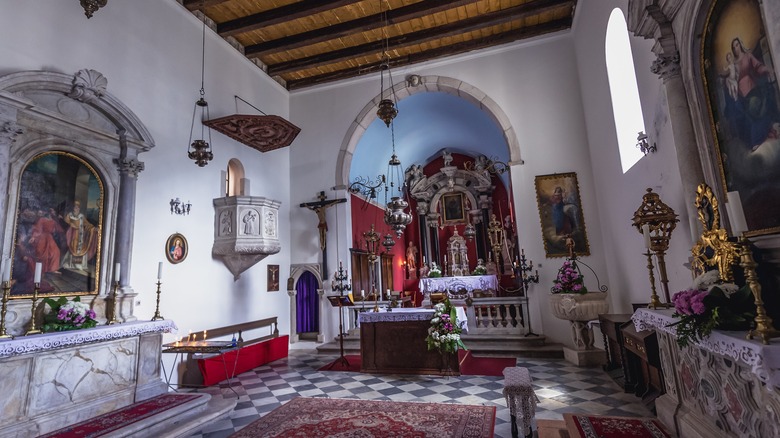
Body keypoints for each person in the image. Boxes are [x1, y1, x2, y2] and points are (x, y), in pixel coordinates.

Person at [61, 201, 98, 271]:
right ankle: (71, 264)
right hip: (73, 234)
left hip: (81, 235)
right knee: (73, 248)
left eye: (78, 207)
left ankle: (78, 265)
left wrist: (93, 228)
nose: (76, 209)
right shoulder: (69, 215)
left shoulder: (81, 216)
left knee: (80, 249)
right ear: (73, 208)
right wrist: (71, 225)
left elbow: (87, 224)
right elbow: (66, 222)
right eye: (75, 207)